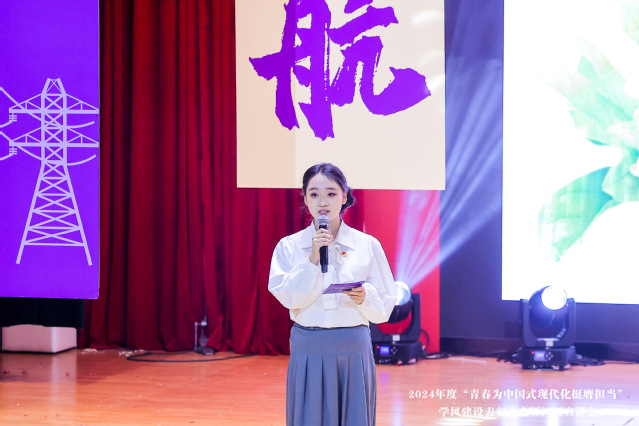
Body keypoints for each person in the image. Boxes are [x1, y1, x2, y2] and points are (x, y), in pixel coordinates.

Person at [268, 163, 398, 426]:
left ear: (344, 196)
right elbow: (289, 297)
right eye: (314, 194)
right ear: (305, 199)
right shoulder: (289, 246)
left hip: (352, 346)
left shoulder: (367, 245)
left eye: (331, 193)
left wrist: (365, 296)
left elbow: (385, 306)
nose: (323, 202)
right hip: (308, 345)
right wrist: (312, 260)